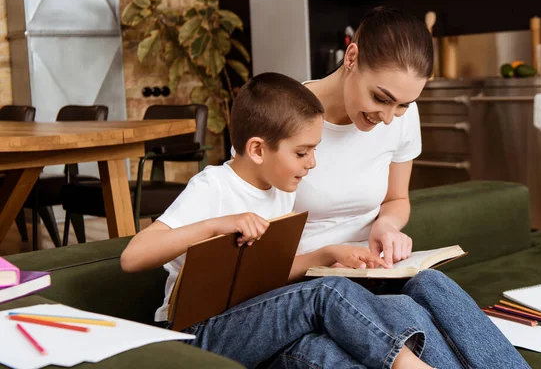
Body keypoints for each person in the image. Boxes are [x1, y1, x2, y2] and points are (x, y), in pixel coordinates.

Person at [120, 72, 461, 368]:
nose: (312, 163)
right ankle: (405, 364)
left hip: (252, 321)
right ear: (257, 150)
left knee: (335, 347)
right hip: (197, 332)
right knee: (324, 292)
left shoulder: (280, 190)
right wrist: (216, 226)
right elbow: (133, 257)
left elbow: (261, 276)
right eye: (302, 152)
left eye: (315, 150)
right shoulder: (214, 188)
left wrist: (329, 254)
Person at [274, 7, 530, 368]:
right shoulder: (279, 118)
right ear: (351, 57)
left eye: (403, 104)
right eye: (380, 98)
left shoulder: (401, 116)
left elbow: (397, 199)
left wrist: (386, 225)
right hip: (312, 285)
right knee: (402, 310)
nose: (389, 117)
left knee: (431, 284)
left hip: (373, 274)